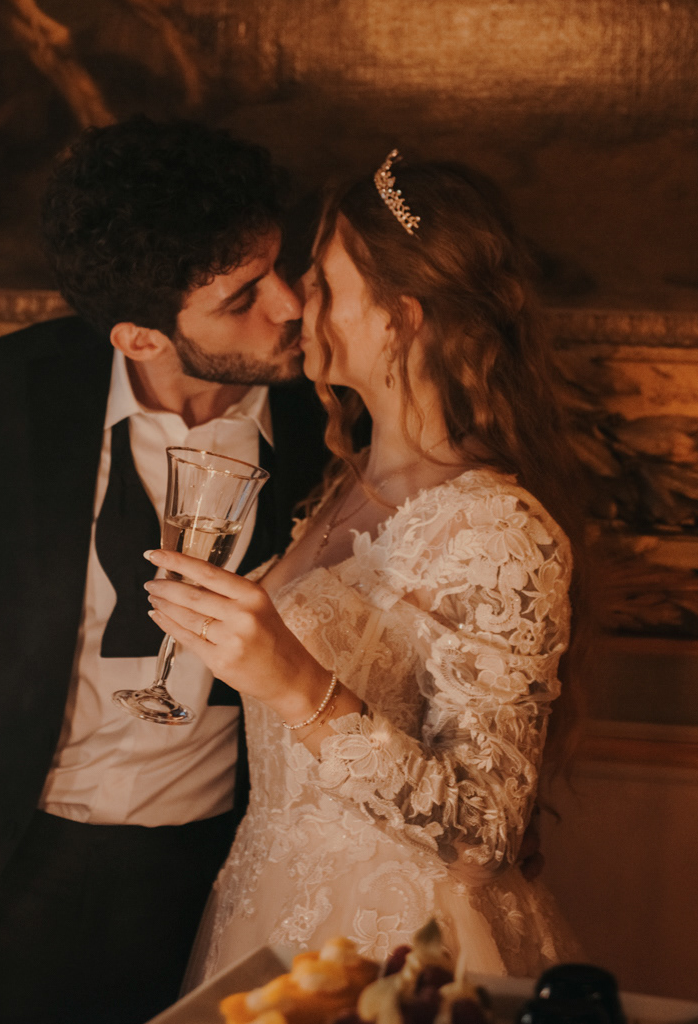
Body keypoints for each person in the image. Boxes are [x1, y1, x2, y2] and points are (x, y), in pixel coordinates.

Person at [0, 118, 332, 1024]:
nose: (289, 304)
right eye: (242, 295)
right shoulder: (6, 392)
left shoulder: (329, 420)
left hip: (208, 878)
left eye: (279, 267)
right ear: (141, 337)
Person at [153, 155, 588, 981]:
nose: (294, 301)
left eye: (321, 282)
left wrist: (298, 686)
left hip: (402, 945)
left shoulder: (496, 528)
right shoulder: (340, 482)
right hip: (268, 903)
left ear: (399, 317)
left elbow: (484, 837)